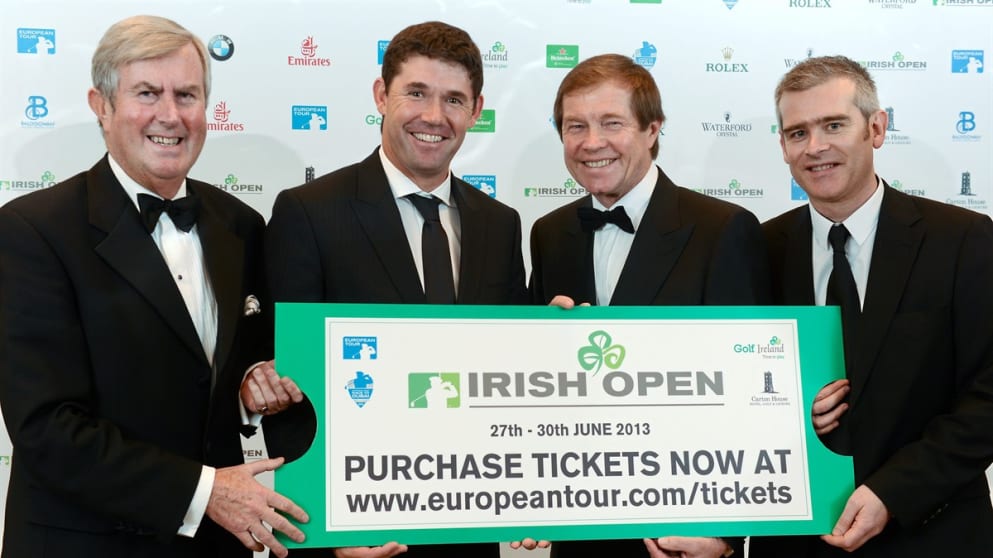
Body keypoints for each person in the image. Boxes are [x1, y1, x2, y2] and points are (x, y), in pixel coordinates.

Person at [0, 15, 308, 558]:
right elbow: (47, 428)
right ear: (102, 105)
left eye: (187, 94)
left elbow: (237, 371)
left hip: (218, 544)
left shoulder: (241, 224)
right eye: (148, 93)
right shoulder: (32, 231)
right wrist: (206, 491)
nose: (171, 115)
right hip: (86, 545)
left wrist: (251, 388)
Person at [265, 20, 527, 558]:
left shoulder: (501, 224)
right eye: (416, 93)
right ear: (382, 95)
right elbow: (292, 384)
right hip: (354, 531)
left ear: (476, 111)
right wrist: (329, 526)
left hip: (467, 524)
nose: (434, 117)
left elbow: (506, 370)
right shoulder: (308, 213)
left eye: (454, 99)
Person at [749, 55, 993, 557]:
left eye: (833, 125)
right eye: (797, 133)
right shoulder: (757, 249)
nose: (815, 148)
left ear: (876, 128)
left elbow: (988, 396)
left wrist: (894, 493)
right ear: (782, 147)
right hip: (797, 542)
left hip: (933, 533)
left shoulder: (963, 239)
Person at [528, 53, 769, 558]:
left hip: (683, 532)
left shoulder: (722, 229)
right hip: (581, 529)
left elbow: (753, 393)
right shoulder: (549, 234)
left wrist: (725, 535)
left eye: (611, 123)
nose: (592, 143)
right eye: (576, 126)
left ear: (652, 129)